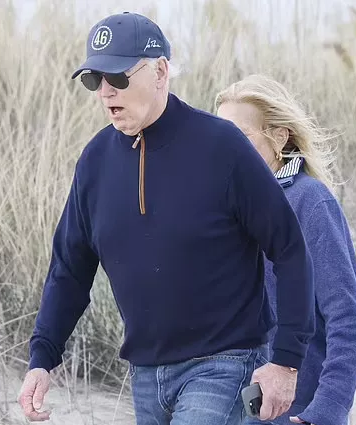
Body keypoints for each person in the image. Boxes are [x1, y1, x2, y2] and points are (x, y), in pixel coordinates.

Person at [18, 12, 316, 425]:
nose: (105, 92)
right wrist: (41, 358)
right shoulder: (95, 162)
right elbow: (69, 270)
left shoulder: (221, 147)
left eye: (118, 77)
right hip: (145, 374)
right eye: (94, 80)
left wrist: (286, 360)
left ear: (160, 71)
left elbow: (289, 247)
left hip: (224, 364)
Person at [215, 74, 356, 425]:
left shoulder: (309, 202)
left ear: (279, 136)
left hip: (296, 410)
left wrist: (326, 411)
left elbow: (346, 318)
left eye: (240, 136)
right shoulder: (224, 207)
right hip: (230, 406)